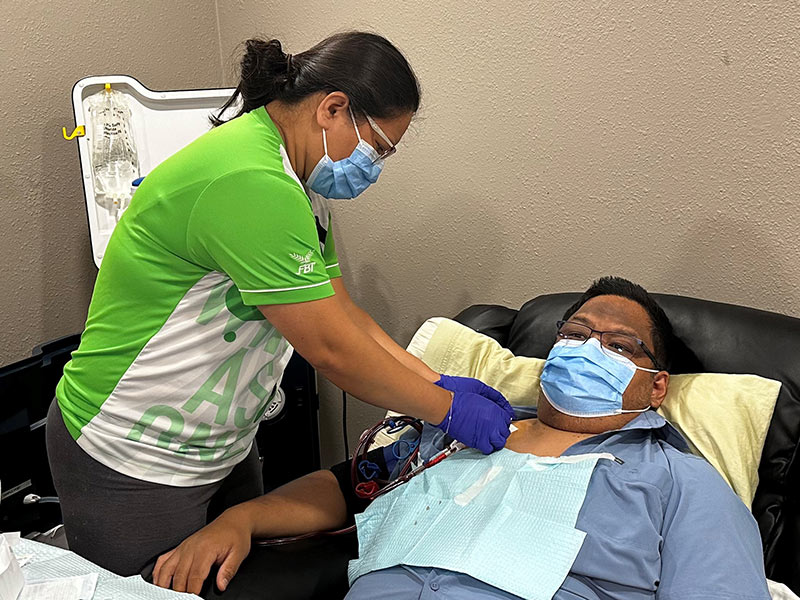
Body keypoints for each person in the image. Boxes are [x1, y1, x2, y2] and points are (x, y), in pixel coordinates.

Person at [46, 31, 512, 577]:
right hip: (133, 452)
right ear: (333, 108)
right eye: (379, 148)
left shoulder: (301, 183)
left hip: (217, 444)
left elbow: (343, 314)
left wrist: (435, 382)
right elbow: (333, 350)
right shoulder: (252, 178)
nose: (376, 166)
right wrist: (445, 411)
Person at [153, 277, 771, 600]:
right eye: (575, 334)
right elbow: (348, 485)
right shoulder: (461, 431)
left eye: (618, 346)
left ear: (657, 386)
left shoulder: (677, 480)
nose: (589, 349)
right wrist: (240, 518)